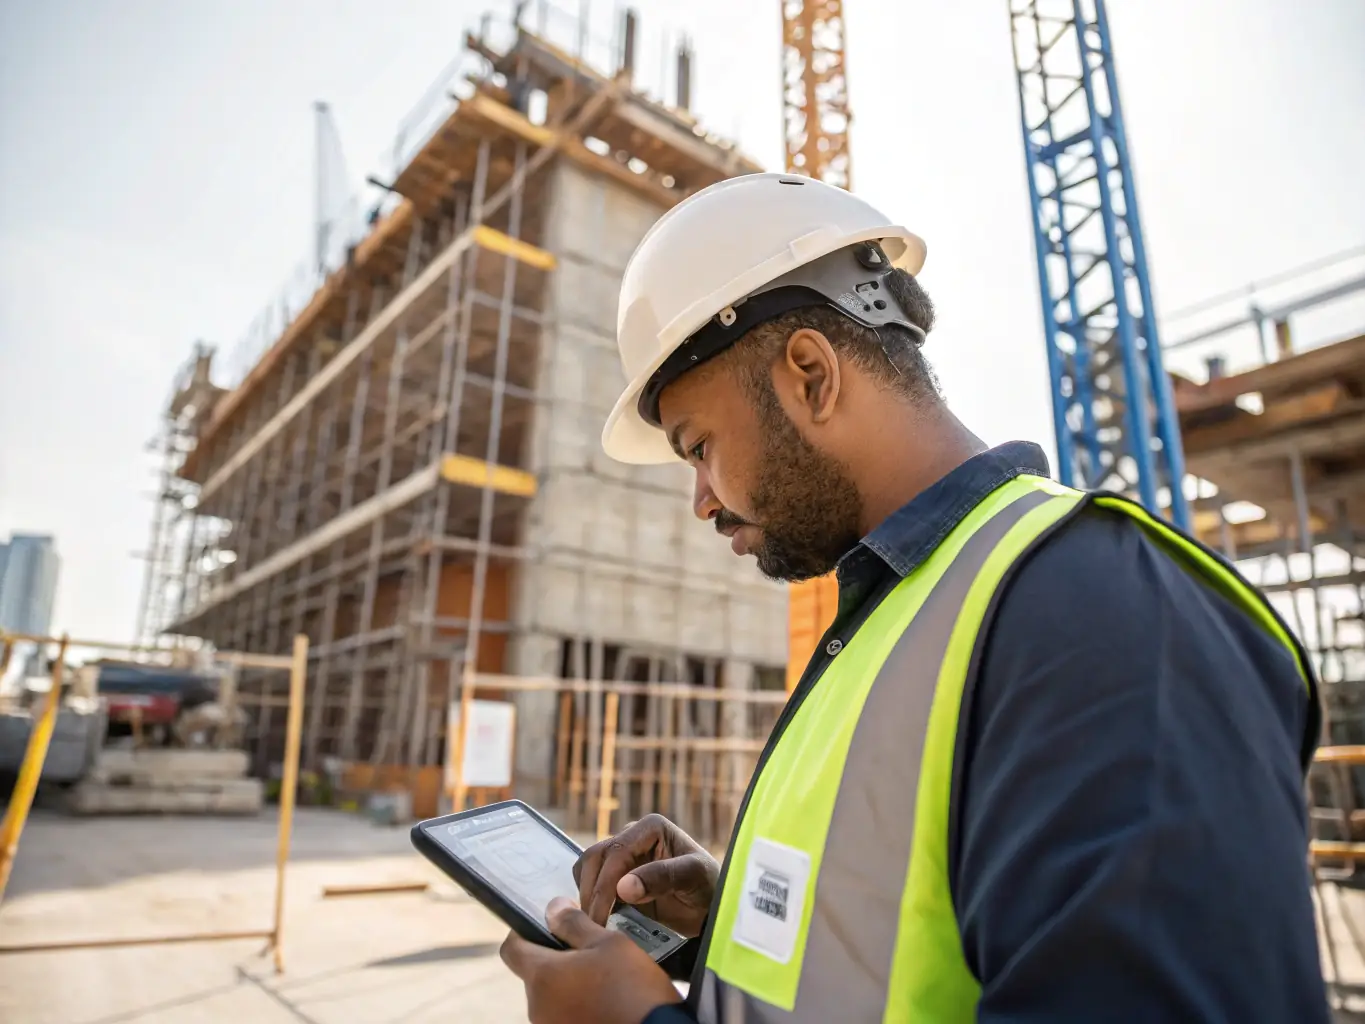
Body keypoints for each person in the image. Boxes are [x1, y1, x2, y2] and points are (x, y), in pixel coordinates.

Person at [499, 172, 1330, 1023]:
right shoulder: (906, 611)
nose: (702, 500)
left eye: (698, 447)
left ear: (811, 376)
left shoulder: (1105, 614)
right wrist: (734, 918)